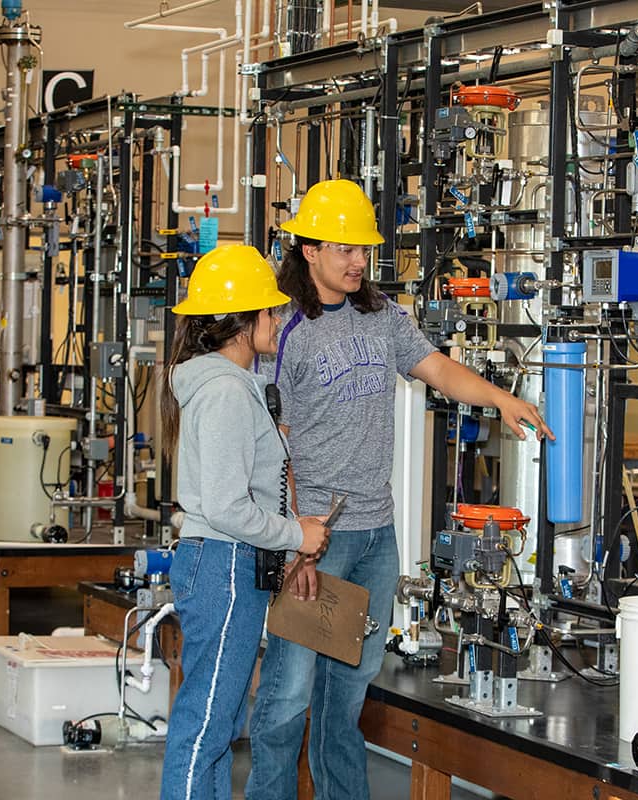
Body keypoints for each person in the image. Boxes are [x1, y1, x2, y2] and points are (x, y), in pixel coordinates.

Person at [245, 180, 553, 800]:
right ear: (308, 250)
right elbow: (270, 441)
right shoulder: (282, 328)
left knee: (345, 701)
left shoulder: (383, 318)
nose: (358, 261)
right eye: (344, 248)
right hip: (315, 540)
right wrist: (295, 542)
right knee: (286, 700)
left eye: (364, 249)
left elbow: (437, 368)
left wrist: (500, 398)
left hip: (375, 539)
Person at [158, 244, 330, 800]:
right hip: (224, 567)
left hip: (227, 566)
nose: (278, 321)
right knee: (205, 724)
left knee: (219, 720)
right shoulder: (227, 391)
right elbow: (228, 507)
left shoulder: (229, 385)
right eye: (271, 312)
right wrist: (296, 535)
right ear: (246, 320)